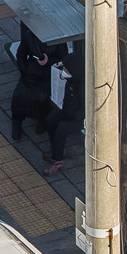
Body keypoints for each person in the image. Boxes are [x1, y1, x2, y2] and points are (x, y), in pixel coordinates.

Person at [9, 31, 58, 143]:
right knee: (19, 96)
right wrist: (24, 71)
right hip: (30, 72)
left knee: (42, 98)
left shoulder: (57, 39)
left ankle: (42, 120)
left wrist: (48, 61)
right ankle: (16, 122)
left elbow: (62, 57)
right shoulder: (29, 37)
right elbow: (21, 54)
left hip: (47, 74)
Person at [42, 48, 82, 176]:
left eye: (66, 70)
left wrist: (72, 116)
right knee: (50, 120)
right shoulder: (72, 80)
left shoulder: (83, 86)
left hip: (80, 118)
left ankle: (57, 160)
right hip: (69, 112)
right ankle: (57, 149)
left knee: (61, 131)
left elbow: (85, 109)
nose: (63, 72)